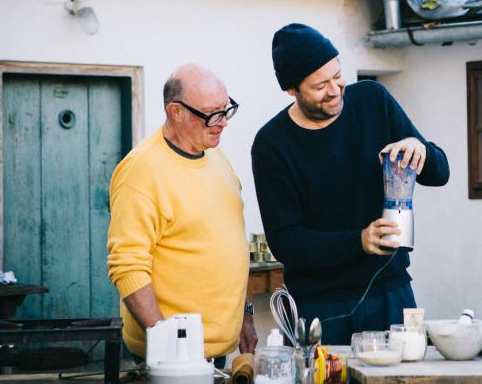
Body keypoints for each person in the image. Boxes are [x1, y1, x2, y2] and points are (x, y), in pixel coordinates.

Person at [251, 23, 450, 345]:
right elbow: (286, 241)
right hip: (319, 307)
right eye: (319, 85)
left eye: (337, 76)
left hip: (391, 292)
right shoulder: (272, 144)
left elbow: (440, 174)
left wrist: (422, 149)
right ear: (292, 90)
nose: (334, 90)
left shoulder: (373, 99)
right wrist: (358, 241)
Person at [107, 64, 257, 365]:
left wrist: (244, 314)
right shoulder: (141, 170)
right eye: (213, 113)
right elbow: (128, 266)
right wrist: (169, 347)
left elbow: (228, 244)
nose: (223, 122)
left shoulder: (216, 156)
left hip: (214, 354)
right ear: (176, 112)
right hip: (171, 358)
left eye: (226, 109)